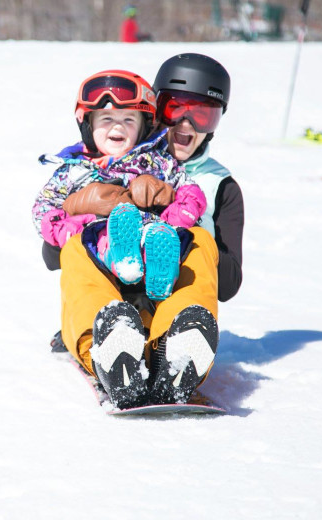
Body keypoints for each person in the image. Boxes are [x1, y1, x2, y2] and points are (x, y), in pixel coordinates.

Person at [54, 53, 243, 409]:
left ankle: (177, 351)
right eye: (176, 110)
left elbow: (229, 284)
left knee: (200, 240)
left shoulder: (220, 186)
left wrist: (177, 226)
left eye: (201, 113)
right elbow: (54, 254)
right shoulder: (108, 159)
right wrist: (85, 210)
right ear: (154, 110)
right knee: (79, 246)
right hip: (110, 295)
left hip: (169, 297)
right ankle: (106, 346)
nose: (186, 125)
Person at [32, 70, 208, 302]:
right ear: (88, 125)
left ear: (143, 127)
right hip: (97, 247)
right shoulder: (74, 171)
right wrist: (72, 224)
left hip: (150, 232)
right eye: (106, 119)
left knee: (160, 237)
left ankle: (161, 275)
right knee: (99, 235)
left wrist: (174, 215)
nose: (118, 127)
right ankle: (122, 260)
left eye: (128, 119)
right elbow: (43, 207)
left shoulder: (157, 162)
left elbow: (189, 191)